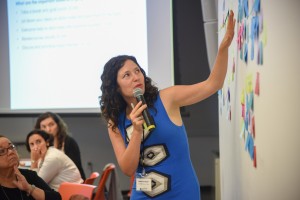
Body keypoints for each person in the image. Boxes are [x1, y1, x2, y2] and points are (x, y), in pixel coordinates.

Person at [99, 10, 235, 199]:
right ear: (116, 86)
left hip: (182, 191)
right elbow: (128, 169)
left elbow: (213, 84)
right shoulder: (115, 122)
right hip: (143, 194)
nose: (135, 77)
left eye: (137, 71)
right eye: (126, 75)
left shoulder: (167, 98)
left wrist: (223, 49)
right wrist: (137, 131)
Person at [0, 134, 61, 200]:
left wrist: (30, 188)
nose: (11, 152)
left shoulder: (28, 175)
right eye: (2, 151)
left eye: (11, 147)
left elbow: (57, 198)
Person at [34, 112, 86, 180]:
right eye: (44, 127)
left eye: (51, 125)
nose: (48, 130)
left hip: (72, 183)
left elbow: (75, 169)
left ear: (58, 125)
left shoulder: (68, 142)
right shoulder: (42, 145)